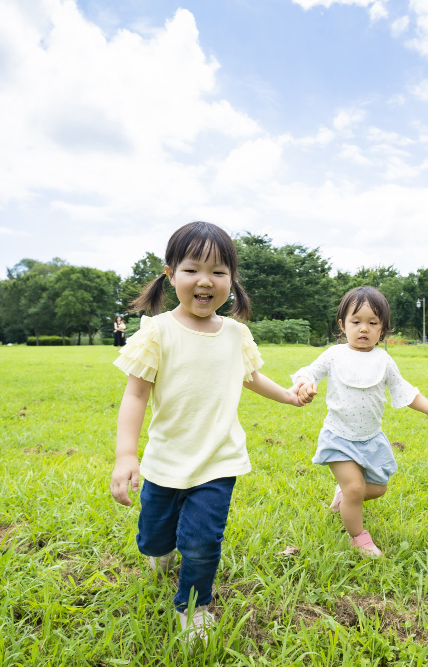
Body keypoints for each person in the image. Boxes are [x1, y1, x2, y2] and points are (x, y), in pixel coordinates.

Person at [109, 221, 310, 645]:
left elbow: (252, 377)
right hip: (165, 458)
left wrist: (290, 396)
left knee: (201, 542)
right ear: (170, 274)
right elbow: (136, 395)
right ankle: (160, 552)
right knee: (154, 537)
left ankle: (195, 605)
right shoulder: (157, 330)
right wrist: (127, 454)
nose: (206, 280)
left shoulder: (235, 333)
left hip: (219, 459)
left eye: (219, 271)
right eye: (192, 270)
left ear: (231, 280)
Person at [292, 287, 428, 557]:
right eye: (356, 322)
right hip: (338, 437)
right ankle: (358, 537)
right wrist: (305, 384)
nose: (364, 329)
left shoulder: (384, 360)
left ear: (382, 329)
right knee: (355, 487)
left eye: (372, 323)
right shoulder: (334, 354)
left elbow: (405, 391)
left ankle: (343, 497)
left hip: (371, 439)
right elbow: (309, 372)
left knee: (378, 489)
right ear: (342, 325)